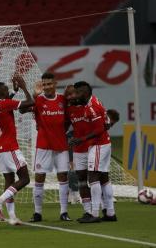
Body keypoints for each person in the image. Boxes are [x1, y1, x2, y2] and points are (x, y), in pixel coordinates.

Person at [0, 73, 34, 225]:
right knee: (25, 178)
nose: (8, 90)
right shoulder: (5, 104)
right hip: (9, 147)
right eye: (6, 89)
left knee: (9, 180)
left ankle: (13, 217)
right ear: (1, 92)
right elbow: (30, 102)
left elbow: (7, 102)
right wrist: (23, 87)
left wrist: (14, 91)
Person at [69, 81, 117, 223]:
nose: (76, 95)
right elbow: (106, 123)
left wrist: (80, 139)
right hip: (102, 144)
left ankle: (94, 214)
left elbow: (99, 129)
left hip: (99, 144)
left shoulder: (92, 107)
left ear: (84, 92)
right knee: (103, 178)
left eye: (78, 92)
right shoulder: (94, 101)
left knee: (93, 177)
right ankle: (110, 212)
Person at [30, 72, 71, 222]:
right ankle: (37, 213)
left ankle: (64, 212)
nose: (47, 87)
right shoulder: (38, 100)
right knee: (40, 177)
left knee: (63, 177)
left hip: (61, 145)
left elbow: (68, 120)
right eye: (44, 84)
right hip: (43, 145)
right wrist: (34, 95)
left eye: (49, 84)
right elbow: (26, 109)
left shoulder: (62, 100)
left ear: (55, 84)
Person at [64, 85, 92, 220]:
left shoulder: (90, 106)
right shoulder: (68, 110)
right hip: (76, 147)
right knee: (77, 175)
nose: (71, 97)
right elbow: (64, 125)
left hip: (93, 146)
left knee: (96, 177)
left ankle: (103, 207)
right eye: (68, 95)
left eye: (73, 94)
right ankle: (85, 208)